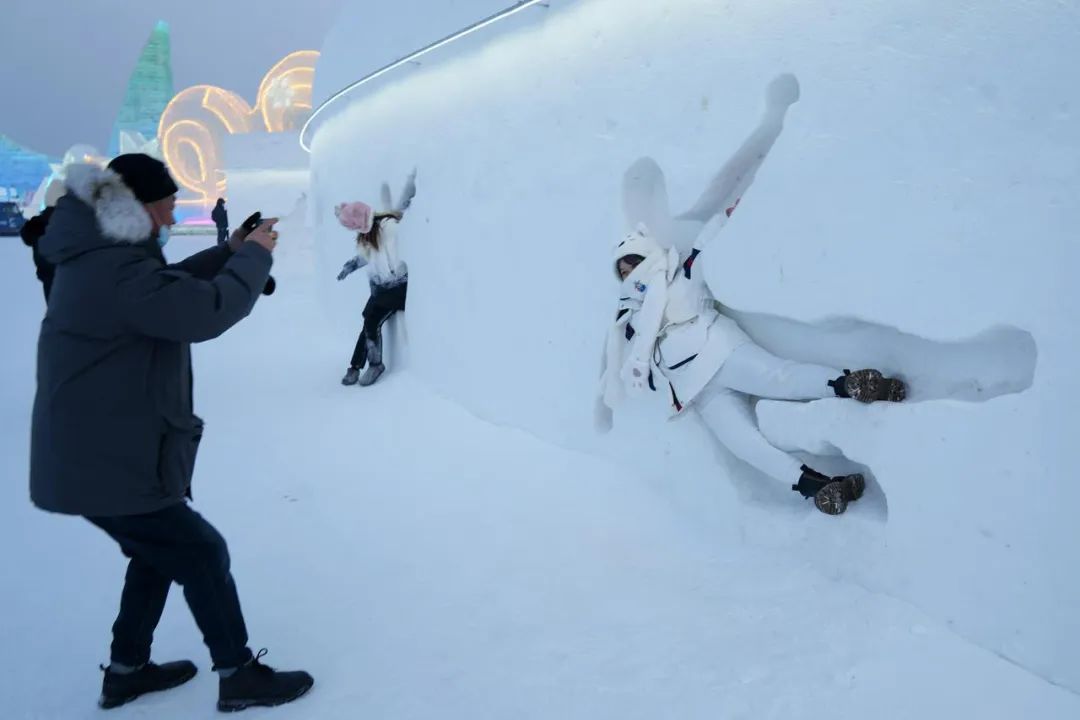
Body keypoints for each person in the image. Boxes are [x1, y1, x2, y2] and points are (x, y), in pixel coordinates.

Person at [29, 153, 314, 711]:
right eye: (164, 206)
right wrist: (253, 259)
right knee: (201, 553)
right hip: (109, 456)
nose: (168, 217)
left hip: (102, 449)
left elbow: (165, 287)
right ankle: (238, 675)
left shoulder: (104, 255)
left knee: (159, 553)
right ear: (134, 207)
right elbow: (201, 312)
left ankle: (127, 670)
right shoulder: (113, 266)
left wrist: (229, 252)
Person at [597, 80, 906, 516]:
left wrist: (745, 186)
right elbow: (628, 359)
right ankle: (819, 488)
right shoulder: (626, 318)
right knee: (747, 447)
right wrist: (624, 384)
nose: (630, 273)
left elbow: (715, 218)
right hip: (696, 391)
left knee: (781, 378)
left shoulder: (679, 268)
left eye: (632, 261)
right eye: (622, 269)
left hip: (721, 351)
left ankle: (853, 383)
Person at [335, 171, 416, 387]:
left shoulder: (389, 227)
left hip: (398, 287)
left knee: (371, 319)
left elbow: (407, 237)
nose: (354, 231)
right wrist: (351, 266)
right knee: (367, 317)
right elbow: (365, 256)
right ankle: (354, 366)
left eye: (352, 226)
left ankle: (375, 364)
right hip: (383, 288)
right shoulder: (368, 233)